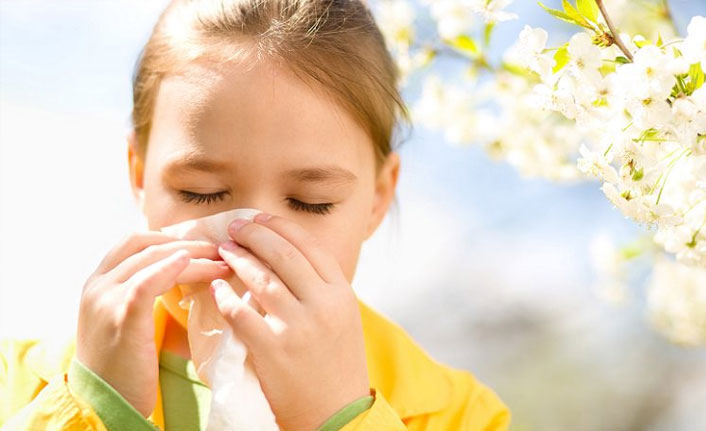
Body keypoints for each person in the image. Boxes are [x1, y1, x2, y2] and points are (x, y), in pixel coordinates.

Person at [0, 0, 511, 429]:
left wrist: (339, 415)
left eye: (312, 202)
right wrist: (96, 406)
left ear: (377, 198)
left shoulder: (460, 413)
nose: (250, 238)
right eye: (200, 192)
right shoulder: (17, 385)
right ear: (139, 173)